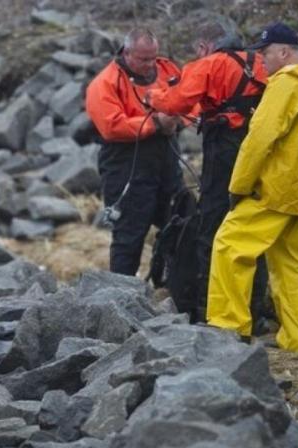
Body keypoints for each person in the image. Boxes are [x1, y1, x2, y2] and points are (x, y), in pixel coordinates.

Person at [206, 22, 298, 352]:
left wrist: (239, 186)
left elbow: (258, 139)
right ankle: (296, 341)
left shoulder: (285, 84)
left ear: (284, 52)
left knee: (229, 246)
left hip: (273, 192)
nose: (260, 60)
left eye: (265, 53)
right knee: (296, 266)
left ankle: (228, 327)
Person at [145, 20, 269, 326]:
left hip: (224, 149)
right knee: (254, 226)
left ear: (204, 46)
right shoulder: (261, 62)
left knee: (212, 223)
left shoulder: (209, 64)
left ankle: (206, 308)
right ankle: (255, 309)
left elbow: (176, 102)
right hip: (259, 149)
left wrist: (153, 97)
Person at [85, 29, 184, 276]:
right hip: (126, 164)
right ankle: (120, 300)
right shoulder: (105, 83)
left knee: (181, 225)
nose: (150, 64)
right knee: (129, 236)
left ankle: (177, 289)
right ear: (126, 53)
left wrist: (177, 119)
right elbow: (111, 126)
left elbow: (189, 100)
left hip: (167, 158)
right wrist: (156, 123)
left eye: (153, 57)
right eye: (143, 59)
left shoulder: (168, 69)